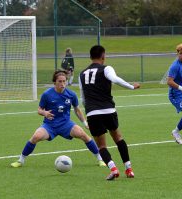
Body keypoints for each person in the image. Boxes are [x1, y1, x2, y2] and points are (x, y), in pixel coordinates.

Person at [11, 70, 105, 168]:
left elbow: (77, 110)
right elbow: (39, 110)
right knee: (36, 137)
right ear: (55, 82)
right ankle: (20, 160)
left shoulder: (71, 94)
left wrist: (85, 123)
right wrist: (44, 113)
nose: (62, 84)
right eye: (60, 81)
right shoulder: (47, 94)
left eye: (64, 81)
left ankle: (100, 159)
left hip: (66, 124)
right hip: (50, 125)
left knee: (83, 135)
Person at [79, 45, 140, 180]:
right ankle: (129, 169)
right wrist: (131, 86)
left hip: (92, 113)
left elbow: (82, 97)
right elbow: (115, 79)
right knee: (118, 138)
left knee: (101, 146)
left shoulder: (82, 74)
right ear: (103, 56)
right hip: (108, 110)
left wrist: (89, 109)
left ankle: (113, 168)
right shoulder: (106, 68)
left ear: (90, 57)